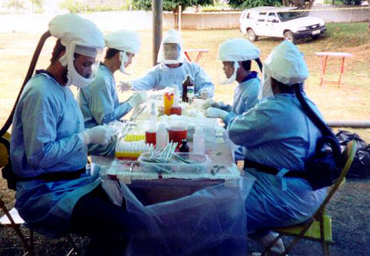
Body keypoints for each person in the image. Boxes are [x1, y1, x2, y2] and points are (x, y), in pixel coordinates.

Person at [10, 14, 136, 254]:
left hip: (70, 181)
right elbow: (39, 156)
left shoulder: (63, 88)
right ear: (64, 56)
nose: (90, 71)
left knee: (130, 200)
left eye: (91, 64)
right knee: (120, 224)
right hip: (45, 191)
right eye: (85, 64)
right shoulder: (41, 93)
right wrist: (87, 138)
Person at [227, 41, 327, 255]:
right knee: (229, 190)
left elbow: (235, 133)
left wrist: (227, 116)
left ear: (271, 78)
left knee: (218, 209)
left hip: (287, 196)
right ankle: (274, 247)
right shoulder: (309, 103)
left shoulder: (274, 109)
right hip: (306, 192)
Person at [77, 29, 147, 156]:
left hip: (102, 130)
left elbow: (110, 109)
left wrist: (131, 100)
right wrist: (131, 103)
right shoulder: (101, 78)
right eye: (130, 55)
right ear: (121, 55)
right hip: (94, 136)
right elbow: (105, 118)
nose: (130, 61)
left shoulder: (106, 74)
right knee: (141, 149)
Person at [118, 29, 214, 99]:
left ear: (180, 49)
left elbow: (206, 84)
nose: (169, 51)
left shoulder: (193, 69)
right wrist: (131, 84)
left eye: (173, 48)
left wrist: (206, 91)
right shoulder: (158, 71)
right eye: (166, 48)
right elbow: (145, 81)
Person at [205, 38, 262, 127]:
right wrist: (223, 107)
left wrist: (223, 115)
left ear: (238, 64)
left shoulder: (254, 89)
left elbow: (248, 126)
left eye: (226, 65)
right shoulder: (243, 85)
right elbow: (240, 113)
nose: (223, 69)